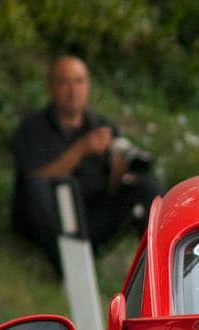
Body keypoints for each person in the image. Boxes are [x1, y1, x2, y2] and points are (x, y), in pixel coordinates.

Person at [10, 55, 161, 266]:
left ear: (88, 86)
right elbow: (32, 179)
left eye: (79, 81)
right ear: (50, 87)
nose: (73, 90)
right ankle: (62, 261)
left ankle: (158, 265)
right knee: (38, 186)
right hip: (50, 217)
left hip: (90, 217)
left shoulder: (101, 127)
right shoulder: (34, 128)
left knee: (146, 187)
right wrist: (80, 149)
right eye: (64, 82)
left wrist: (119, 174)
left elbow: (112, 188)